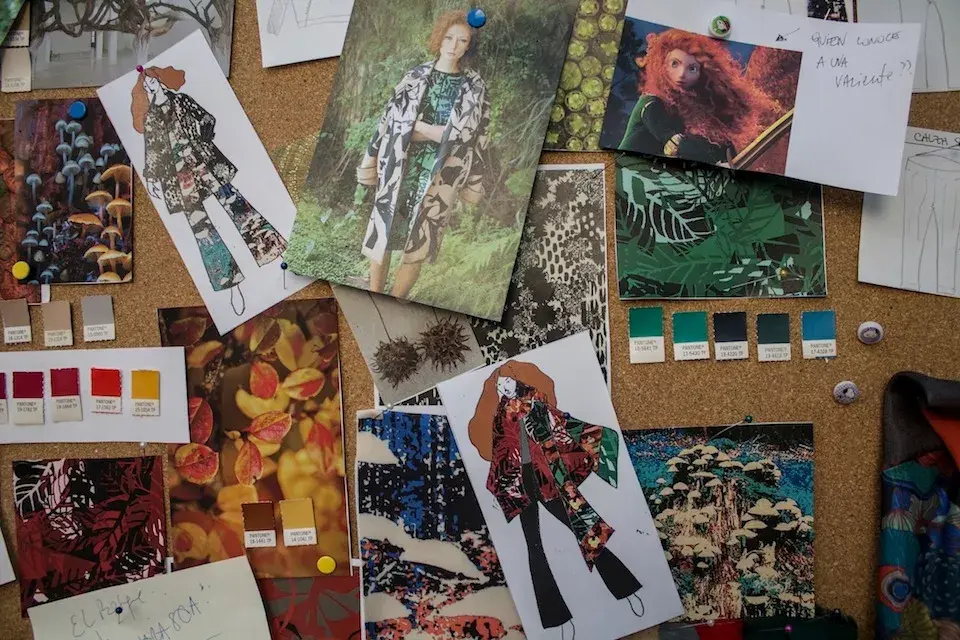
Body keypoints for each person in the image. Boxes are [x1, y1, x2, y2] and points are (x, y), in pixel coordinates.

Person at [467, 360, 644, 638]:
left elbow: (560, 427)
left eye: (508, 381)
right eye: (500, 384)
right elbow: (501, 452)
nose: (505, 387)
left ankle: (626, 588)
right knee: (533, 546)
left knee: (584, 529)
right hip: (519, 484)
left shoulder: (537, 402)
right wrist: (500, 488)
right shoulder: (501, 413)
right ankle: (555, 618)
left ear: (518, 380)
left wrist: (590, 438)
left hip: (548, 478)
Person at [130, 65, 286, 312]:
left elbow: (207, 118)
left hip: (204, 163)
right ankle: (228, 282)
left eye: (152, 80)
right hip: (179, 178)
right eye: (145, 84)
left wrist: (202, 137)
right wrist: (150, 177)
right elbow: (153, 150)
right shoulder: (151, 118)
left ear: (159, 80)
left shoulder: (181, 100)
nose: (150, 85)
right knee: (201, 228)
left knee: (236, 205)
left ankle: (273, 251)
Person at [356, 10, 489, 298]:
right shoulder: (415, 76)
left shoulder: (474, 86)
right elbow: (389, 122)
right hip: (400, 165)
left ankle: (394, 303)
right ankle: (374, 296)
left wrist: (417, 127)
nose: (453, 45)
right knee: (384, 233)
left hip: (443, 172)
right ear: (439, 38)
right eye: (449, 38)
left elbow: (470, 135)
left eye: (462, 40)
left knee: (421, 241)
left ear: (469, 46)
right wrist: (373, 156)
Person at [616, 29, 781, 167]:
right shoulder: (652, 103)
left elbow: (697, 144)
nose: (682, 74)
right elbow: (674, 145)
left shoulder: (684, 108)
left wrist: (724, 152)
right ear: (661, 65)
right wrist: (716, 159)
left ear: (703, 74)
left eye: (692, 69)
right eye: (674, 64)